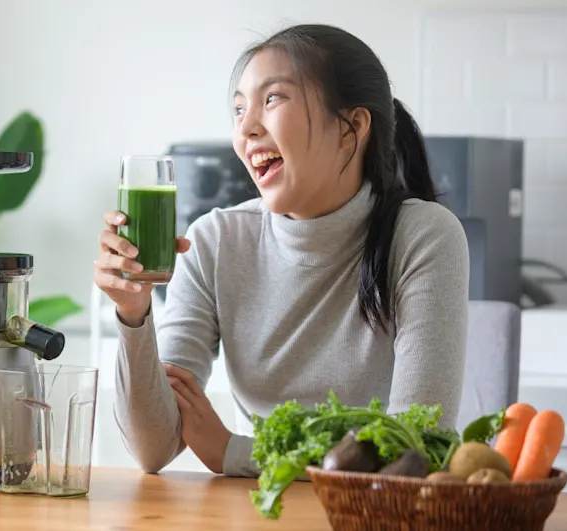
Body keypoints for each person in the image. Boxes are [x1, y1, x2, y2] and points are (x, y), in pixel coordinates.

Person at [93, 23, 470, 478]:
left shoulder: (424, 236)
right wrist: (134, 314)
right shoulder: (214, 241)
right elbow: (153, 449)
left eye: (272, 99)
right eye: (238, 108)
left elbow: (417, 450)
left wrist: (236, 453)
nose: (246, 128)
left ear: (351, 127)